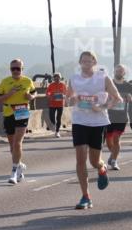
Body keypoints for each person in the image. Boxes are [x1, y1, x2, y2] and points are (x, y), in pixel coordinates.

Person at [67, 51, 122, 210]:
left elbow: (117, 98)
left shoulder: (103, 78)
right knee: (80, 158)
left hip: (98, 122)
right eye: (83, 62)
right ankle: (86, 196)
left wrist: (102, 107)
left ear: (94, 62)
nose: (86, 64)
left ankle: (102, 168)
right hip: (79, 121)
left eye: (89, 61)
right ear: (80, 63)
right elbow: (68, 97)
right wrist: (73, 98)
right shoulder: (74, 79)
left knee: (94, 161)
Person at [0, 59, 37, 184]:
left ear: (22, 69)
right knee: (12, 147)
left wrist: (31, 97)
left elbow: (34, 93)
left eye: (18, 68)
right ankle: (19, 166)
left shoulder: (27, 81)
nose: (16, 71)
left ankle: (13, 172)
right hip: (9, 113)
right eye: (13, 69)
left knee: (18, 143)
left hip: (22, 112)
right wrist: (8, 95)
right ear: (10, 70)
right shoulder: (5, 82)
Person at [105, 64, 131, 170]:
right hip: (108, 116)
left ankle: (114, 161)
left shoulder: (128, 86)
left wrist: (130, 97)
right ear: (114, 72)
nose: (119, 72)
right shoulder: (109, 84)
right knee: (108, 141)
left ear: (124, 73)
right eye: (117, 71)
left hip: (121, 117)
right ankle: (113, 155)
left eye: (121, 71)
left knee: (116, 139)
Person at [46, 73, 67, 138]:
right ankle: (54, 125)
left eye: (58, 78)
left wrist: (63, 96)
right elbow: (47, 92)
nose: (57, 79)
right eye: (55, 78)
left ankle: (57, 132)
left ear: (60, 78)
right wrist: (49, 95)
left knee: (58, 118)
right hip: (52, 103)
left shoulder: (63, 85)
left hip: (60, 104)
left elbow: (66, 93)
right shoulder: (51, 85)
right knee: (51, 116)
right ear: (53, 78)